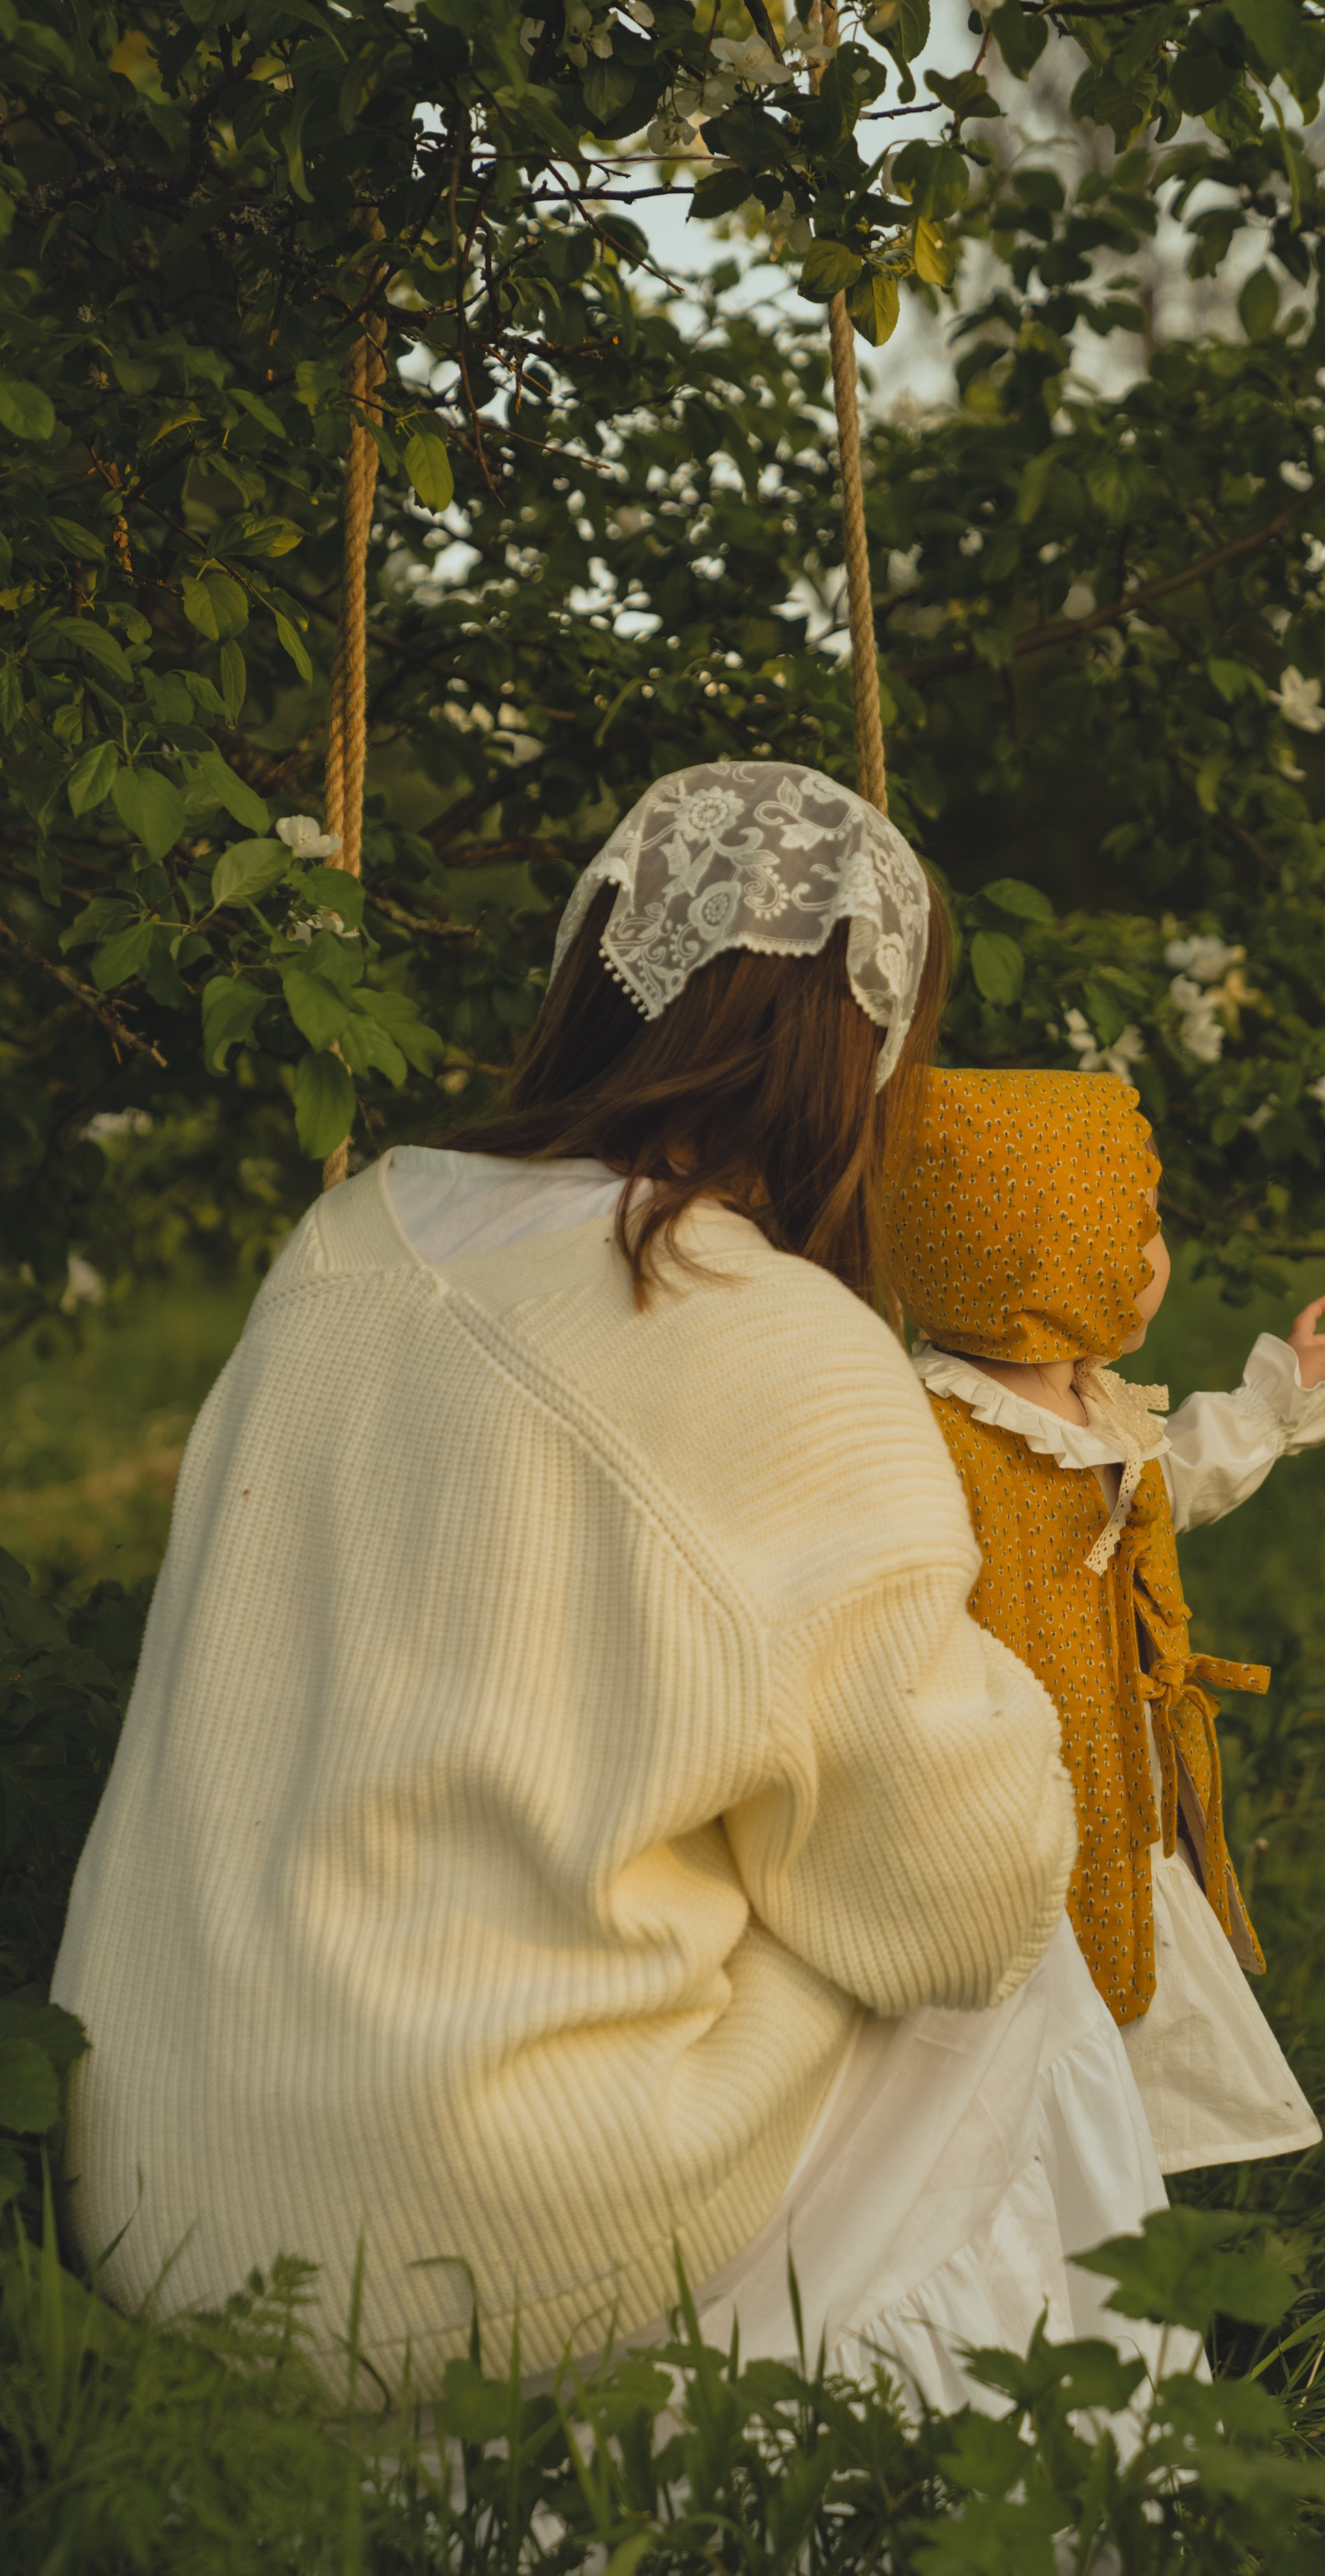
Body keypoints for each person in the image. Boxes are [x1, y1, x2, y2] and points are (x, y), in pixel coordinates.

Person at [52, 766, 1187, 2413]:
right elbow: (952, 1910)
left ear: (596, 984)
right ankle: (973, 2519)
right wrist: (999, 1689)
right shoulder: (774, 1333)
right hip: (474, 2223)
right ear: (860, 1053)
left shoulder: (347, 1240)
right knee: (1014, 1951)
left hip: (159, 2202)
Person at [884, 1065, 1325, 2178]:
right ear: (1043, 1248)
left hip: (1123, 1784)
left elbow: (1168, 1481)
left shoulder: (1096, 1406)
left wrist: (1274, 1400)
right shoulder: (936, 1428)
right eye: (1132, 1227)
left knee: (1123, 1980)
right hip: (1004, 1798)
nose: (1154, 1256)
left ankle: (1110, 2198)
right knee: (1016, 2004)